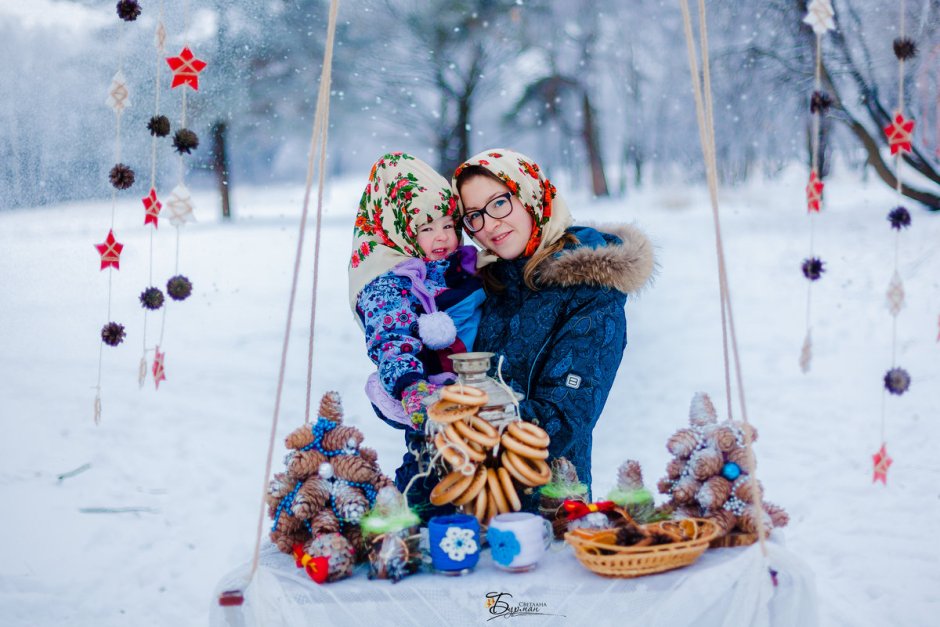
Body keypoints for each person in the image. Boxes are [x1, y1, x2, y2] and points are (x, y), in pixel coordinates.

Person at [451, 148, 655, 501]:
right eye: (474, 216)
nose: (489, 224)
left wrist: (460, 418)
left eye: (499, 203)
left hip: (551, 507)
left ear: (529, 195)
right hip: (468, 502)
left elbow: (564, 418)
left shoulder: (590, 289)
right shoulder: (483, 285)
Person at [348, 152, 484, 516]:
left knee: (481, 477)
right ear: (402, 231)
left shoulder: (461, 264)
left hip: (478, 390)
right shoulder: (388, 281)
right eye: (426, 229)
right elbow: (390, 338)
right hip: (428, 396)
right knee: (432, 470)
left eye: (447, 225)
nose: (442, 237)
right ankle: (415, 518)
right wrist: (411, 386)